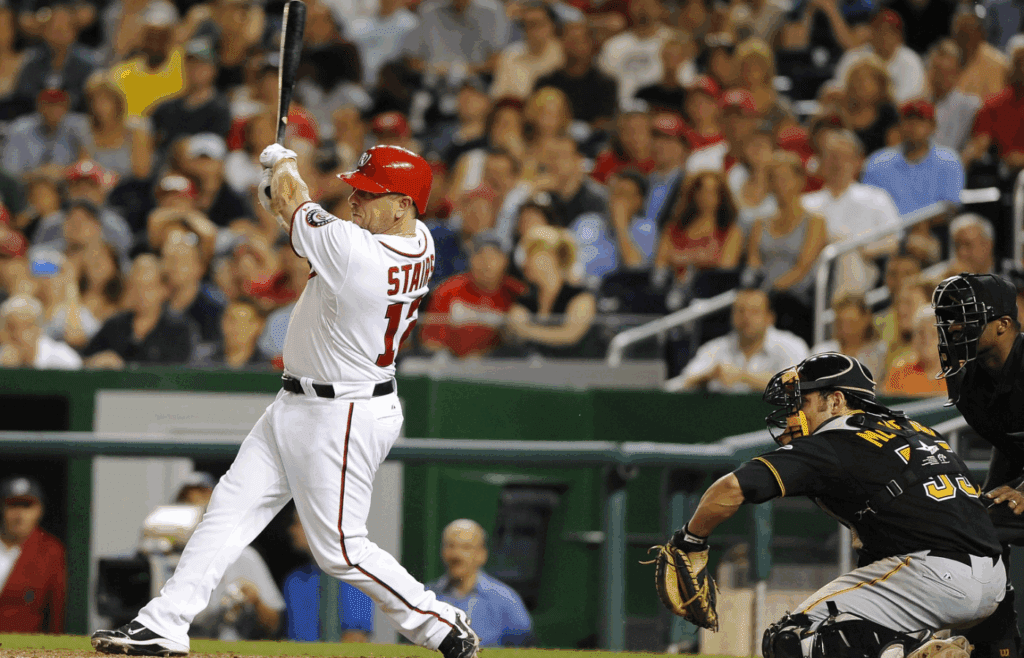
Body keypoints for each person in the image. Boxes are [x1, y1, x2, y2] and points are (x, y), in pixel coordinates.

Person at [91, 143, 482, 658]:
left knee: (340, 550)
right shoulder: (417, 240)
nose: (356, 200)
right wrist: (279, 191)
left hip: (343, 412)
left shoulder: (362, 254)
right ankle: (165, 622)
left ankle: (441, 623)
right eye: (356, 189)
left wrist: (283, 166)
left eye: (369, 193)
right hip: (302, 402)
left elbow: (299, 207)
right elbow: (298, 214)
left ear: (404, 205)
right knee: (227, 509)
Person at [665, 352, 1004, 658]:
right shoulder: (917, 429)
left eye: (804, 400)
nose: (794, 413)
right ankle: (907, 646)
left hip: (932, 576)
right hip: (994, 580)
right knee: (856, 630)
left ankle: (905, 652)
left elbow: (731, 488)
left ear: (836, 400)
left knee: (789, 640)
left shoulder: (834, 442)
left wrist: (689, 541)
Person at [931, 273, 1024, 658]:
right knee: (973, 528)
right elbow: (1010, 441)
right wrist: (989, 495)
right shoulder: (971, 380)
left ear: (1003, 325)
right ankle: (994, 646)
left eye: (965, 317)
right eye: (949, 318)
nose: (953, 327)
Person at [800, 130, 901, 300]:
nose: (837, 164)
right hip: (811, 271)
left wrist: (858, 248)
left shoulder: (876, 197)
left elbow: (894, 241)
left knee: (844, 252)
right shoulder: (806, 203)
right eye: (831, 157)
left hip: (862, 267)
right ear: (821, 162)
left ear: (857, 162)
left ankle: (844, 309)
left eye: (844, 157)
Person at [670, 287, 809, 393]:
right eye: (740, 311)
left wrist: (743, 377)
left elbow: (800, 386)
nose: (746, 318)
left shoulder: (792, 345)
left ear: (769, 318)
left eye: (754, 312)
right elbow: (679, 384)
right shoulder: (715, 348)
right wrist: (708, 376)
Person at [427, 519, 532, 647]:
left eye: (466, 547)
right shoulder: (427, 598)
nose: (456, 554)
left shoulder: (506, 601)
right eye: (450, 546)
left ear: (482, 554)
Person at [420, 231, 526, 358]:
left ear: (505, 261)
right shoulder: (447, 290)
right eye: (480, 255)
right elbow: (431, 340)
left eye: (493, 257)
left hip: (496, 365)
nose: (486, 263)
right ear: (470, 259)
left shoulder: (517, 292)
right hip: (451, 365)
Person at [81, 254, 194, 368]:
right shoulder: (114, 325)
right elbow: (83, 361)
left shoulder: (179, 330)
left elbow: (180, 372)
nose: (141, 294)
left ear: (163, 290)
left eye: (148, 287)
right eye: (135, 286)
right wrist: (96, 361)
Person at [282, 507, 374, 642]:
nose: (291, 530)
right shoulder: (294, 580)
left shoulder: (354, 576)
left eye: (298, 523)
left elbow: (355, 639)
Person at [861, 100, 964, 217]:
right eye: (908, 120)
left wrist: (919, 227)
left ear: (933, 126)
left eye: (920, 121)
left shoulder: (948, 161)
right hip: (886, 231)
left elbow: (951, 208)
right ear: (899, 125)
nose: (913, 126)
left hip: (933, 230)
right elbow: (867, 206)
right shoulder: (877, 162)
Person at [0, 476, 66, 633]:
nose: (19, 515)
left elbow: (56, 615)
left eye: (26, 506)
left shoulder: (51, 551)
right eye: (13, 506)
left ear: (39, 510)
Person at [811, 294, 887, 380]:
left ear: (866, 319)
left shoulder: (880, 352)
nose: (846, 329)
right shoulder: (822, 351)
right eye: (841, 323)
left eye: (851, 323)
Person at [0, 293, 82, 369]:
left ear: (39, 329)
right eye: (11, 328)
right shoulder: (2, 358)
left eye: (28, 327)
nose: (19, 335)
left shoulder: (62, 358)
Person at [883, 305, 946, 397]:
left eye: (933, 334)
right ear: (913, 340)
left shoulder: (958, 372)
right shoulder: (899, 372)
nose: (926, 340)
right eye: (921, 333)